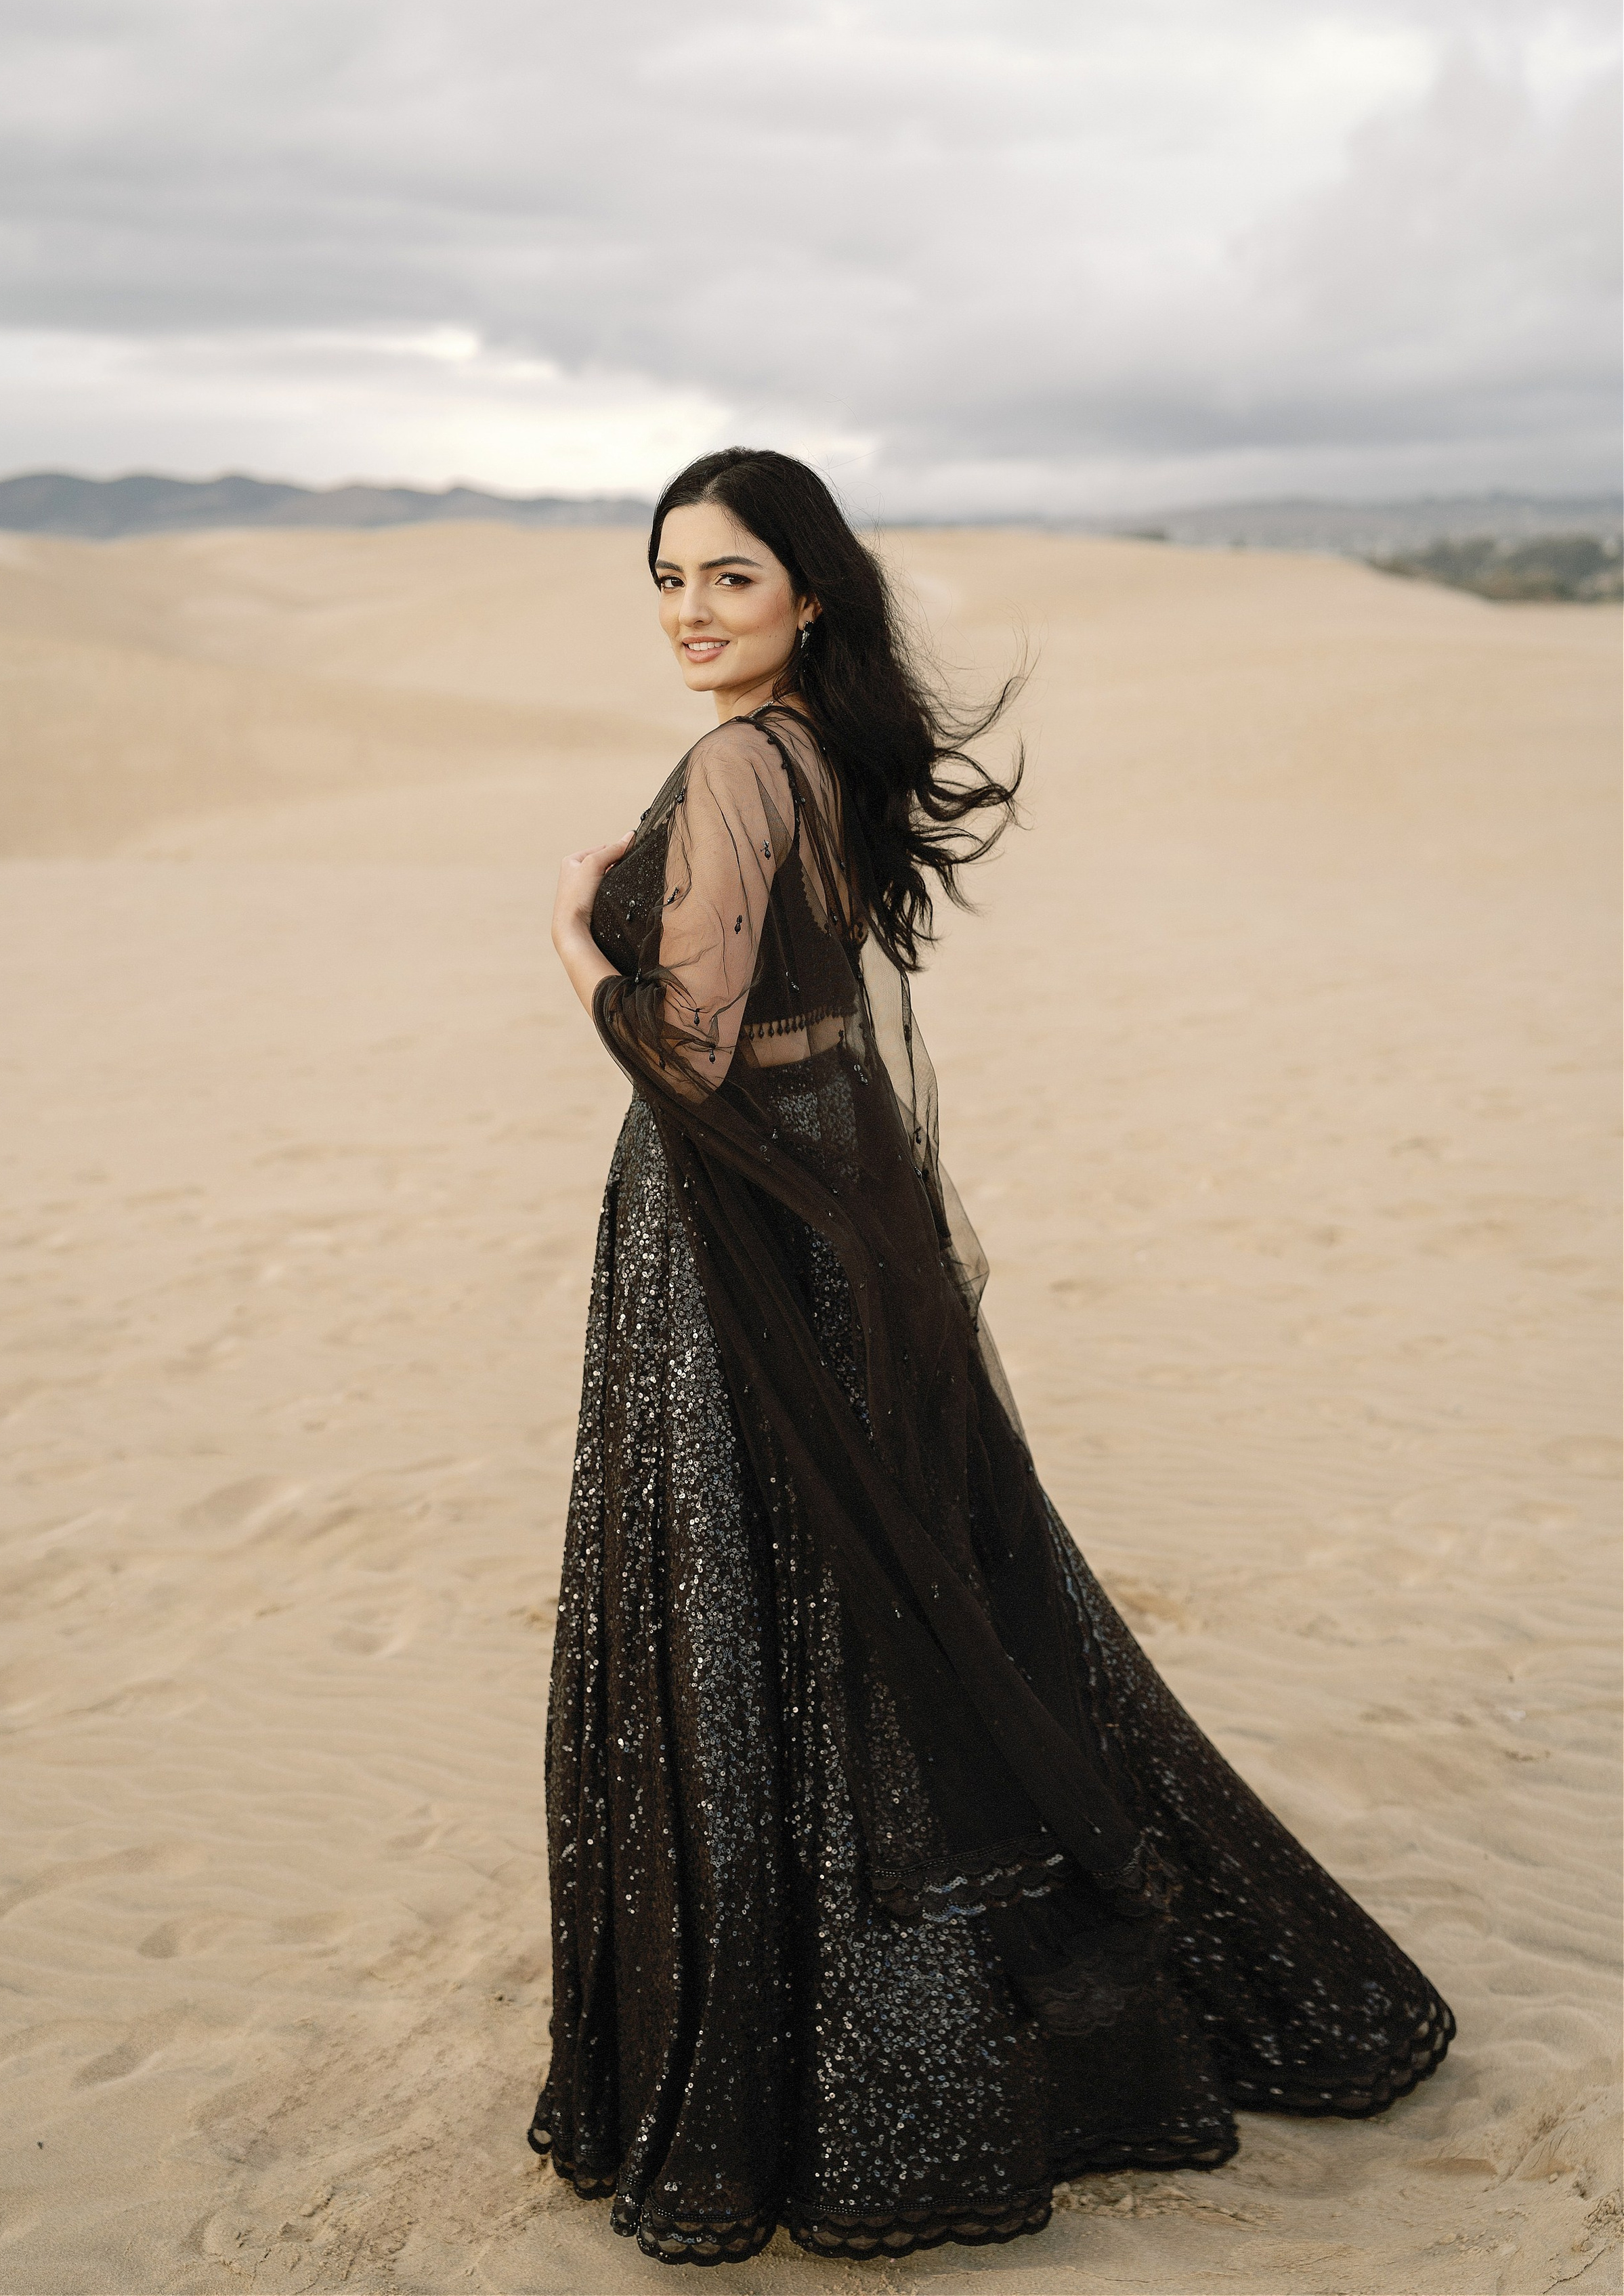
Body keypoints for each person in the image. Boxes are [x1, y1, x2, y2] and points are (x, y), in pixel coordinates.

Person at [530, 448, 1453, 2266]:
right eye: (664, 580)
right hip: (831, 1195)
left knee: (779, 1604)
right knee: (879, 1597)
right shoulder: (827, 757)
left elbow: (690, 1050)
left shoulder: (736, 762)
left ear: (807, 591)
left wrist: (573, 944)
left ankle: (846, 2067)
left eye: (725, 578)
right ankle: (920, 2009)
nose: (687, 615)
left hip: (739, 1225)